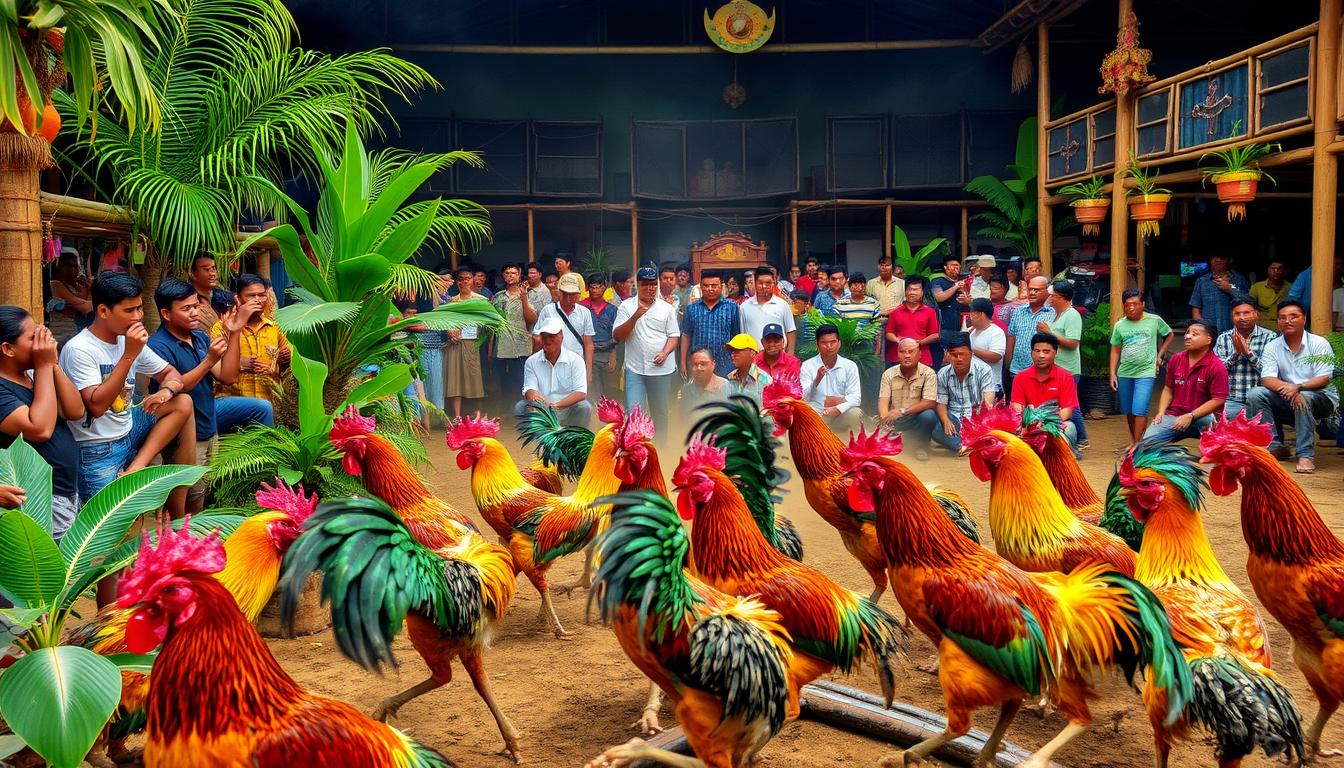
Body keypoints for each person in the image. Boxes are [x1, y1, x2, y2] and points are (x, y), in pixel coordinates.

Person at [60, 271, 196, 527]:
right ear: (103, 311)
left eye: (140, 309)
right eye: (130, 310)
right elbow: (97, 406)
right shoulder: (79, 349)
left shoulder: (128, 340)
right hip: (97, 449)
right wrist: (129, 355)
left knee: (182, 402)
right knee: (109, 533)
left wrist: (166, 391)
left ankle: (141, 468)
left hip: (129, 428)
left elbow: (171, 373)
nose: (138, 317)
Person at [148, 279, 271, 510]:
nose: (195, 313)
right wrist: (209, 361)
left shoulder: (200, 338)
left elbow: (227, 376)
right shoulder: (158, 346)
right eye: (186, 308)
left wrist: (234, 333)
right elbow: (176, 386)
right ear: (166, 313)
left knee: (200, 494)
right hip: (182, 435)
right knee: (184, 500)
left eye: (196, 306)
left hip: (207, 424)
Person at [0, 306, 84, 539]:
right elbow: (40, 429)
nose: (43, 341)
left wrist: (52, 364)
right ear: (8, 349)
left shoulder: (35, 375)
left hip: (65, 491)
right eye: (34, 337)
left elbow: (74, 410)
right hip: (38, 501)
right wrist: (45, 365)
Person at [1244, 300, 1338, 474]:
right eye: (1282, 318)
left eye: (1293, 316)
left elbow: (1323, 378)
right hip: (1288, 395)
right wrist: (1291, 388)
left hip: (1321, 399)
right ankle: (1275, 446)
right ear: (1278, 321)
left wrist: (1299, 387)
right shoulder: (1273, 346)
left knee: (1305, 397)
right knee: (1255, 394)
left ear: (1304, 319)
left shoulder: (1318, 343)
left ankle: (1305, 455)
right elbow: (1267, 378)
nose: (1287, 321)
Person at [614, 266, 681, 437]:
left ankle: (661, 451)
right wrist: (635, 316)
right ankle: (636, 450)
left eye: (653, 284)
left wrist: (665, 353)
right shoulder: (626, 306)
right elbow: (617, 335)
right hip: (635, 369)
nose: (650, 288)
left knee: (660, 413)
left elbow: (674, 336)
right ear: (637, 284)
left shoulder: (666, 308)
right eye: (645, 284)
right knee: (635, 412)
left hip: (661, 370)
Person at [1142, 321, 1229, 444]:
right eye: (1187, 332)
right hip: (1175, 415)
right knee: (1146, 445)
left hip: (1206, 417)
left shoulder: (1217, 367)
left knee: (1216, 455)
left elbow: (1218, 400)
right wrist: (1161, 412)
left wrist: (1191, 415)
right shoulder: (1176, 359)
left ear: (1208, 340)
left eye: (1195, 334)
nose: (1187, 336)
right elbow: (1168, 389)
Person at [210, 274, 289, 407]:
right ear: (238, 298)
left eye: (262, 295)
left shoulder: (275, 327)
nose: (258, 300)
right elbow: (213, 365)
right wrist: (239, 362)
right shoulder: (221, 328)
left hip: (270, 403)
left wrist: (281, 360)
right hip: (234, 404)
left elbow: (289, 359)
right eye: (252, 296)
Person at [1109, 288, 1174, 445]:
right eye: (1127, 304)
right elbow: (1115, 350)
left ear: (1143, 304)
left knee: (1139, 410)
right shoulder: (1120, 325)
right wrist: (1112, 373)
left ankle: (1137, 447)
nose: (1131, 307)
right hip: (1124, 372)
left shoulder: (1154, 320)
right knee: (1129, 411)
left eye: (1135, 304)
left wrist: (1160, 355)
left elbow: (1169, 334)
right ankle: (1134, 443)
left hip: (1146, 372)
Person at [515, 318, 593, 427]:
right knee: (520, 407)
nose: (547, 340)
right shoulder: (531, 361)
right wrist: (533, 396)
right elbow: (529, 388)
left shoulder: (576, 360)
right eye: (544, 336)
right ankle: (533, 441)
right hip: (542, 410)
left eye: (552, 336)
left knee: (584, 407)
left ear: (561, 336)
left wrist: (555, 406)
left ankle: (575, 439)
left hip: (567, 409)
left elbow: (580, 393)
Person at [1010, 333, 1080, 450]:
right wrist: (1030, 424)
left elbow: (1067, 410)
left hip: (1054, 424)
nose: (1041, 355)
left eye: (1046, 351)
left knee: (1070, 428)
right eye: (1037, 351)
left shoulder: (1065, 377)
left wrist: (1046, 424)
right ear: (1031, 352)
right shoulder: (1020, 377)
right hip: (1027, 425)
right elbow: (1017, 407)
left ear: (1055, 352)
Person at [1213, 295, 1278, 418]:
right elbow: (1217, 372)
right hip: (1231, 399)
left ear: (1256, 314)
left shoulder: (1270, 337)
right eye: (1237, 314)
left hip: (1261, 400)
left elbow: (1271, 372)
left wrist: (1249, 354)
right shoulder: (1224, 338)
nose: (1242, 317)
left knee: (1264, 434)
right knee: (1225, 433)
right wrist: (1235, 354)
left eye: (1246, 313)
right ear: (1232, 317)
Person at [489, 262, 542, 410]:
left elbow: (532, 319)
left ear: (519, 275)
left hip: (521, 347)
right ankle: (506, 413)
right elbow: (493, 324)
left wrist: (524, 298)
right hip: (501, 347)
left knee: (522, 383)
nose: (510, 275)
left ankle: (523, 413)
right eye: (507, 273)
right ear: (503, 276)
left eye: (513, 273)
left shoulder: (530, 294)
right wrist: (490, 350)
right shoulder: (498, 297)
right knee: (503, 383)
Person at [878, 338, 942, 459]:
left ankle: (920, 446)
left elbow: (930, 402)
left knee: (929, 415)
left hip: (915, 417)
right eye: (903, 352)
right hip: (893, 419)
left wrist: (903, 411)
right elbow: (883, 400)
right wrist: (885, 419)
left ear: (919, 354)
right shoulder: (888, 374)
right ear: (897, 354)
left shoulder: (929, 373)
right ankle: (893, 436)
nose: (907, 355)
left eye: (911, 351)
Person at [934, 333, 998, 453]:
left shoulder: (984, 369)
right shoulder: (943, 373)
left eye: (962, 354)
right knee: (936, 428)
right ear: (947, 355)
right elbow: (941, 402)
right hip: (954, 419)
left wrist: (982, 420)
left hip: (976, 418)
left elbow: (988, 397)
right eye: (953, 355)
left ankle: (961, 445)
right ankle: (964, 445)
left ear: (971, 354)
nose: (958, 359)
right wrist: (945, 421)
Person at [1046, 280, 1088, 448]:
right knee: (1066, 403)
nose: (1050, 298)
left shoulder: (1072, 315)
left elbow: (1072, 342)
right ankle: (1078, 437)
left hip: (1068, 369)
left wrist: (1048, 333)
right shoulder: (1057, 314)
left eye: (1052, 295)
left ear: (1060, 297)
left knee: (1070, 404)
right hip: (1058, 368)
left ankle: (1082, 438)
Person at [533, 272, 595, 384]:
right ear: (559, 292)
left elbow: (588, 344)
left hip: (575, 366)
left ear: (578, 294)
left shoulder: (585, 313)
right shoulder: (548, 310)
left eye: (572, 293)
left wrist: (588, 372)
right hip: (551, 365)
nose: (568, 297)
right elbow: (536, 337)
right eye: (565, 293)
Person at [679, 269, 741, 377]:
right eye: (706, 286)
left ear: (721, 286)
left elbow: (737, 336)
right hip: (699, 364)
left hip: (725, 364)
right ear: (701, 287)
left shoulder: (732, 307)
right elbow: (686, 336)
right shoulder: (691, 309)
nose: (710, 289)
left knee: (725, 393)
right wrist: (683, 362)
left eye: (714, 285)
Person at [443, 267, 486, 420]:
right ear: (457, 282)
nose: (465, 281)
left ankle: (477, 415)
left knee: (474, 379)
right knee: (455, 380)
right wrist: (449, 331)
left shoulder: (481, 301)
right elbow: (445, 321)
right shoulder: (451, 301)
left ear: (473, 280)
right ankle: (457, 416)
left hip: (473, 344)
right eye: (461, 279)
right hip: (455, 344)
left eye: (468, 278)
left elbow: (488, 324)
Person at [1004, 276, 1055, 395]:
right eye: (1030, 289)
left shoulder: (1053, 313)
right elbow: (1011, 337)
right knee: (1017, 409)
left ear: (1048, 291)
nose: (1032, 293)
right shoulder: (1018, 311)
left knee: (1039, 410)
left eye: (1037, 290)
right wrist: (1007, 364)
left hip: (1042, 372)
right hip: (1017, 370)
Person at [884, 278, 938, 367]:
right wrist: (898, 340)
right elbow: (889, 333)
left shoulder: (930, 312)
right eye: (909, 289)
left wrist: (918, 343)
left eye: (915, 289)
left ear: (922, 292)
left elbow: (935, 335)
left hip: (922, 358)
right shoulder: (895, 312)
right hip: (898, 358)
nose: (911, 293)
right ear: (905, 292)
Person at [1189, 254, 1249, 335]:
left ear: (1229, 260)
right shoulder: (1201, 281)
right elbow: (1196, 308)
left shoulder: (1239, 279)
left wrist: (1230, 288)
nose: (1217, 260)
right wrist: (1200, 329)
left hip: (1234, 331)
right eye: (1214, 257)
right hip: (1209, 332)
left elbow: (1247, 302)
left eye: (1221, 258)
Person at [739, 267, 796, 351]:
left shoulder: (782, 305)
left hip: (779, 356)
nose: (764, 286)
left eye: (768, 283)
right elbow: (743, 334)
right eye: (760, 283)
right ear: (755, 283)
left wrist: (790, 355)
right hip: (755, 358)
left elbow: (790, 330)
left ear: (774, 283)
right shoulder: (744, 307)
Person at [929, 257, 971, 367]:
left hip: (963, 327)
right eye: (952, 265)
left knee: (960, 359)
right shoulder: (937, 282)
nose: (955, 268)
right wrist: (955, 286)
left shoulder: (964, 282)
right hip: (944, 328)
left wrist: (967, 299)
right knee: (944, 360)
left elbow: (970, 301)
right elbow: (939, 297)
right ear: (945, 267)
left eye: (957, 265)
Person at [47, 248, 92, 346]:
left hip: (79, 333)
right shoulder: (55, 284)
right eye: (69, 266)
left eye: (76, 266)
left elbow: (88, 307)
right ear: (59, 266)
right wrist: (90, 292)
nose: (73, 270)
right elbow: (86, 308)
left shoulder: (80, 285)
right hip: (62, 335)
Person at [967, 298, 1006, 391]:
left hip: (989, 386)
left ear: (981, 314)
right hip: (970, 385)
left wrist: (970, 350)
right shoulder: (969, 331)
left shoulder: (996, 332)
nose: (969, 316)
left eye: (972, 312)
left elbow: (996, 356)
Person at [723, 333, 773, 406]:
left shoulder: (765, 380)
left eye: (737, 351)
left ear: (752, 353)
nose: (733, 355)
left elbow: (769, 412)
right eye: (732, 351)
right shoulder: (729, 379)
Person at [1248, 259, 1289, 330]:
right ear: (1268, 270)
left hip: (1284, 327)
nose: (1276, 271)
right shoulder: (1257, 287)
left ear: (1285, 271)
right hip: (1262, 328)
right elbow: (1248, 307)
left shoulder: (1291, 288)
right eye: (1273, 268)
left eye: (1279, 269)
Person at [866, 256, 905, 325]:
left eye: (887, 265)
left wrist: (888, 312)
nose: (884, 267)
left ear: (892, 267)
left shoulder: (902, 283)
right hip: (876, 322)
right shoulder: (870, 283)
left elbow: (905, 303)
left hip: (897, 321)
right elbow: (867, 302)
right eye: (881, 265)